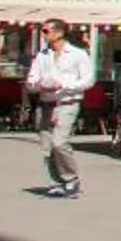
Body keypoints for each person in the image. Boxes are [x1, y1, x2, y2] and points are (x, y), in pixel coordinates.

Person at [26, 19, 95, 199]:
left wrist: (67, 86)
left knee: (60, 142)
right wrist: (38, 85)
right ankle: (57, 182)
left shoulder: (78, 54)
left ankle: (71, 178)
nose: (44, 34)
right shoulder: (42, 55)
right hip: (46, 103)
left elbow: (89, 79)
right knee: (47, 146)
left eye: (46, 31)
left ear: (59, 33)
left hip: (67, 102)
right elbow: (31, 79)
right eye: (43, 30)